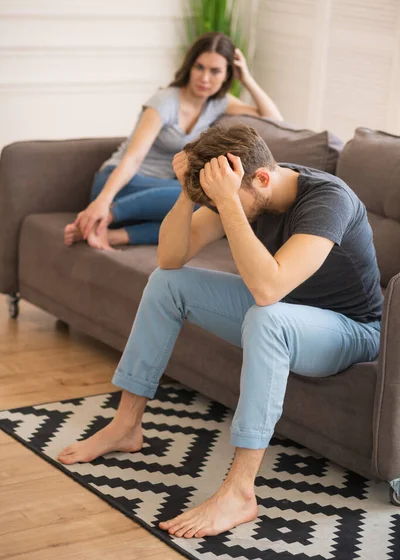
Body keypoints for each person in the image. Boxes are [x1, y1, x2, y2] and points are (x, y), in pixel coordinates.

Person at [57, 123, 383, 539]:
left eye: (225, 199)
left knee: (268, 317)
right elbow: (171, 258)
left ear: (262, 178)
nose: (219, 207)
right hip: (287, 308)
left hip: (349, 329)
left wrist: (229, 203)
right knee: (165, 284)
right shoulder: (245, 186)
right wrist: (185, 192)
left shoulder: (328, 200)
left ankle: (240, 493)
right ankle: (126, 426)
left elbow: (268, 289)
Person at [64, 31, 283, 250]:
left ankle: (111, 236)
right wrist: (102, 202)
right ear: (189, 66)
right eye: (199, 67)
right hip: (120, 185)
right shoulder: (165, 101)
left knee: (213, 211)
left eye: (215, 71)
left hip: (159, 196)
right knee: (205, 196)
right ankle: (104, 218)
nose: (205, 78)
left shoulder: (218, 103)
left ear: (227, 75)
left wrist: (246, 79)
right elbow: (133, 158)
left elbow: (275, 120)